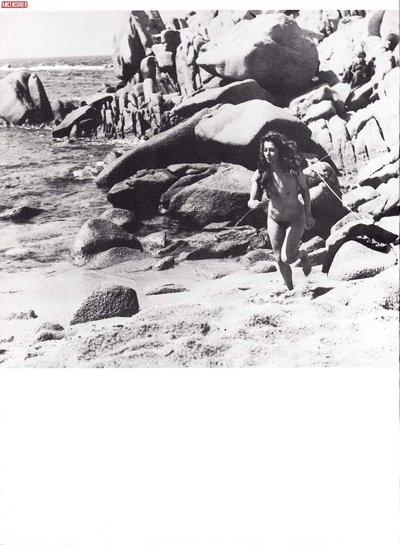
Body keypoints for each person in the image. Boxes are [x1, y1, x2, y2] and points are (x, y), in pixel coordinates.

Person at [248, 131, 314, 291]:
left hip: (295, 217)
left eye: (271, 150)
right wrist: (253, 203)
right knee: (278, 258)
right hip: (274, 218)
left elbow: (305, 190)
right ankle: (291, 290)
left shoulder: (293, 170)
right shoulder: (261, 173)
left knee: (288, 258)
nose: (267, 154)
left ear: (279, 150)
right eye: (265, 150)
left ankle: (303, 254)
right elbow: (251, 199)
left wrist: (308, 215)